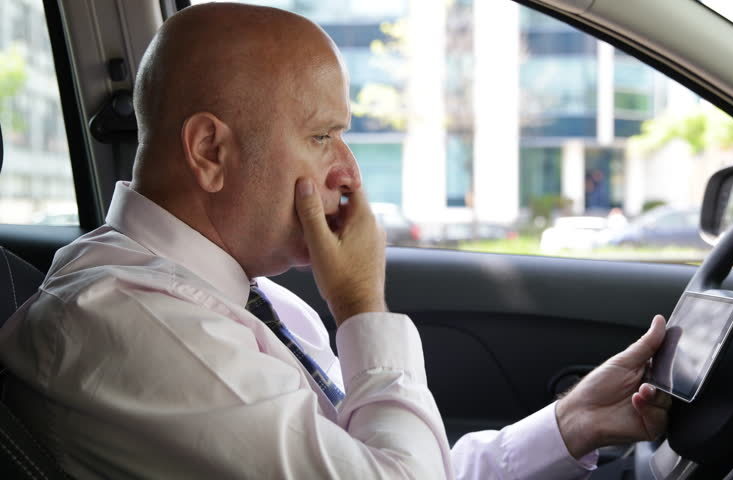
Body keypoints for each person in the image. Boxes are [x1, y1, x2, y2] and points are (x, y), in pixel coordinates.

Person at [0, 3, 670, 478]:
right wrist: (360, 306)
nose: (348, 173)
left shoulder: (251, 300)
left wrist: (571, 424)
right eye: (322, 136)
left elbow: (395, 466)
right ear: (209, 151)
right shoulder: (131, 326)